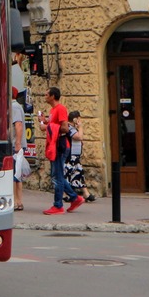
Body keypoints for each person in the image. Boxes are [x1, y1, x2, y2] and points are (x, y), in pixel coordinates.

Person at [41, 86, 83, 215]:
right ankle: (75, 198)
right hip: (56, 145)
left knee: (57, 177)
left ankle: (58, 205)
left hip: (60, 145)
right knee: (56, 175)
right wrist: (46, 121)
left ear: (53, 96)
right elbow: (56, 125)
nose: (45, 96)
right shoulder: (53, 110)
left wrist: (48, 126)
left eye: (47, 94)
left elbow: (64, 128)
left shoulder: (60, 109)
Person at [63, 110, 94, 203]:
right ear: (75, 119)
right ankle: (71, 194)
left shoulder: (72, 127)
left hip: (75, 156)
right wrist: (80, 127)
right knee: (71, 174)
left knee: (77, 173)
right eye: (79, 119)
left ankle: (85, 194)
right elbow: (79, 137)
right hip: (70, 156)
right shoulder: (70, 128)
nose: (80, 121)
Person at [11, 88, 26, 211]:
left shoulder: (14, 107)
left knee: (14, 176)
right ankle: (18, 201)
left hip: (15, 146)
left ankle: (16, 201)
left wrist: (17, 143)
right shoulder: (17, 106)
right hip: (17, 145)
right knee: (17, 175)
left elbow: (18, 125)